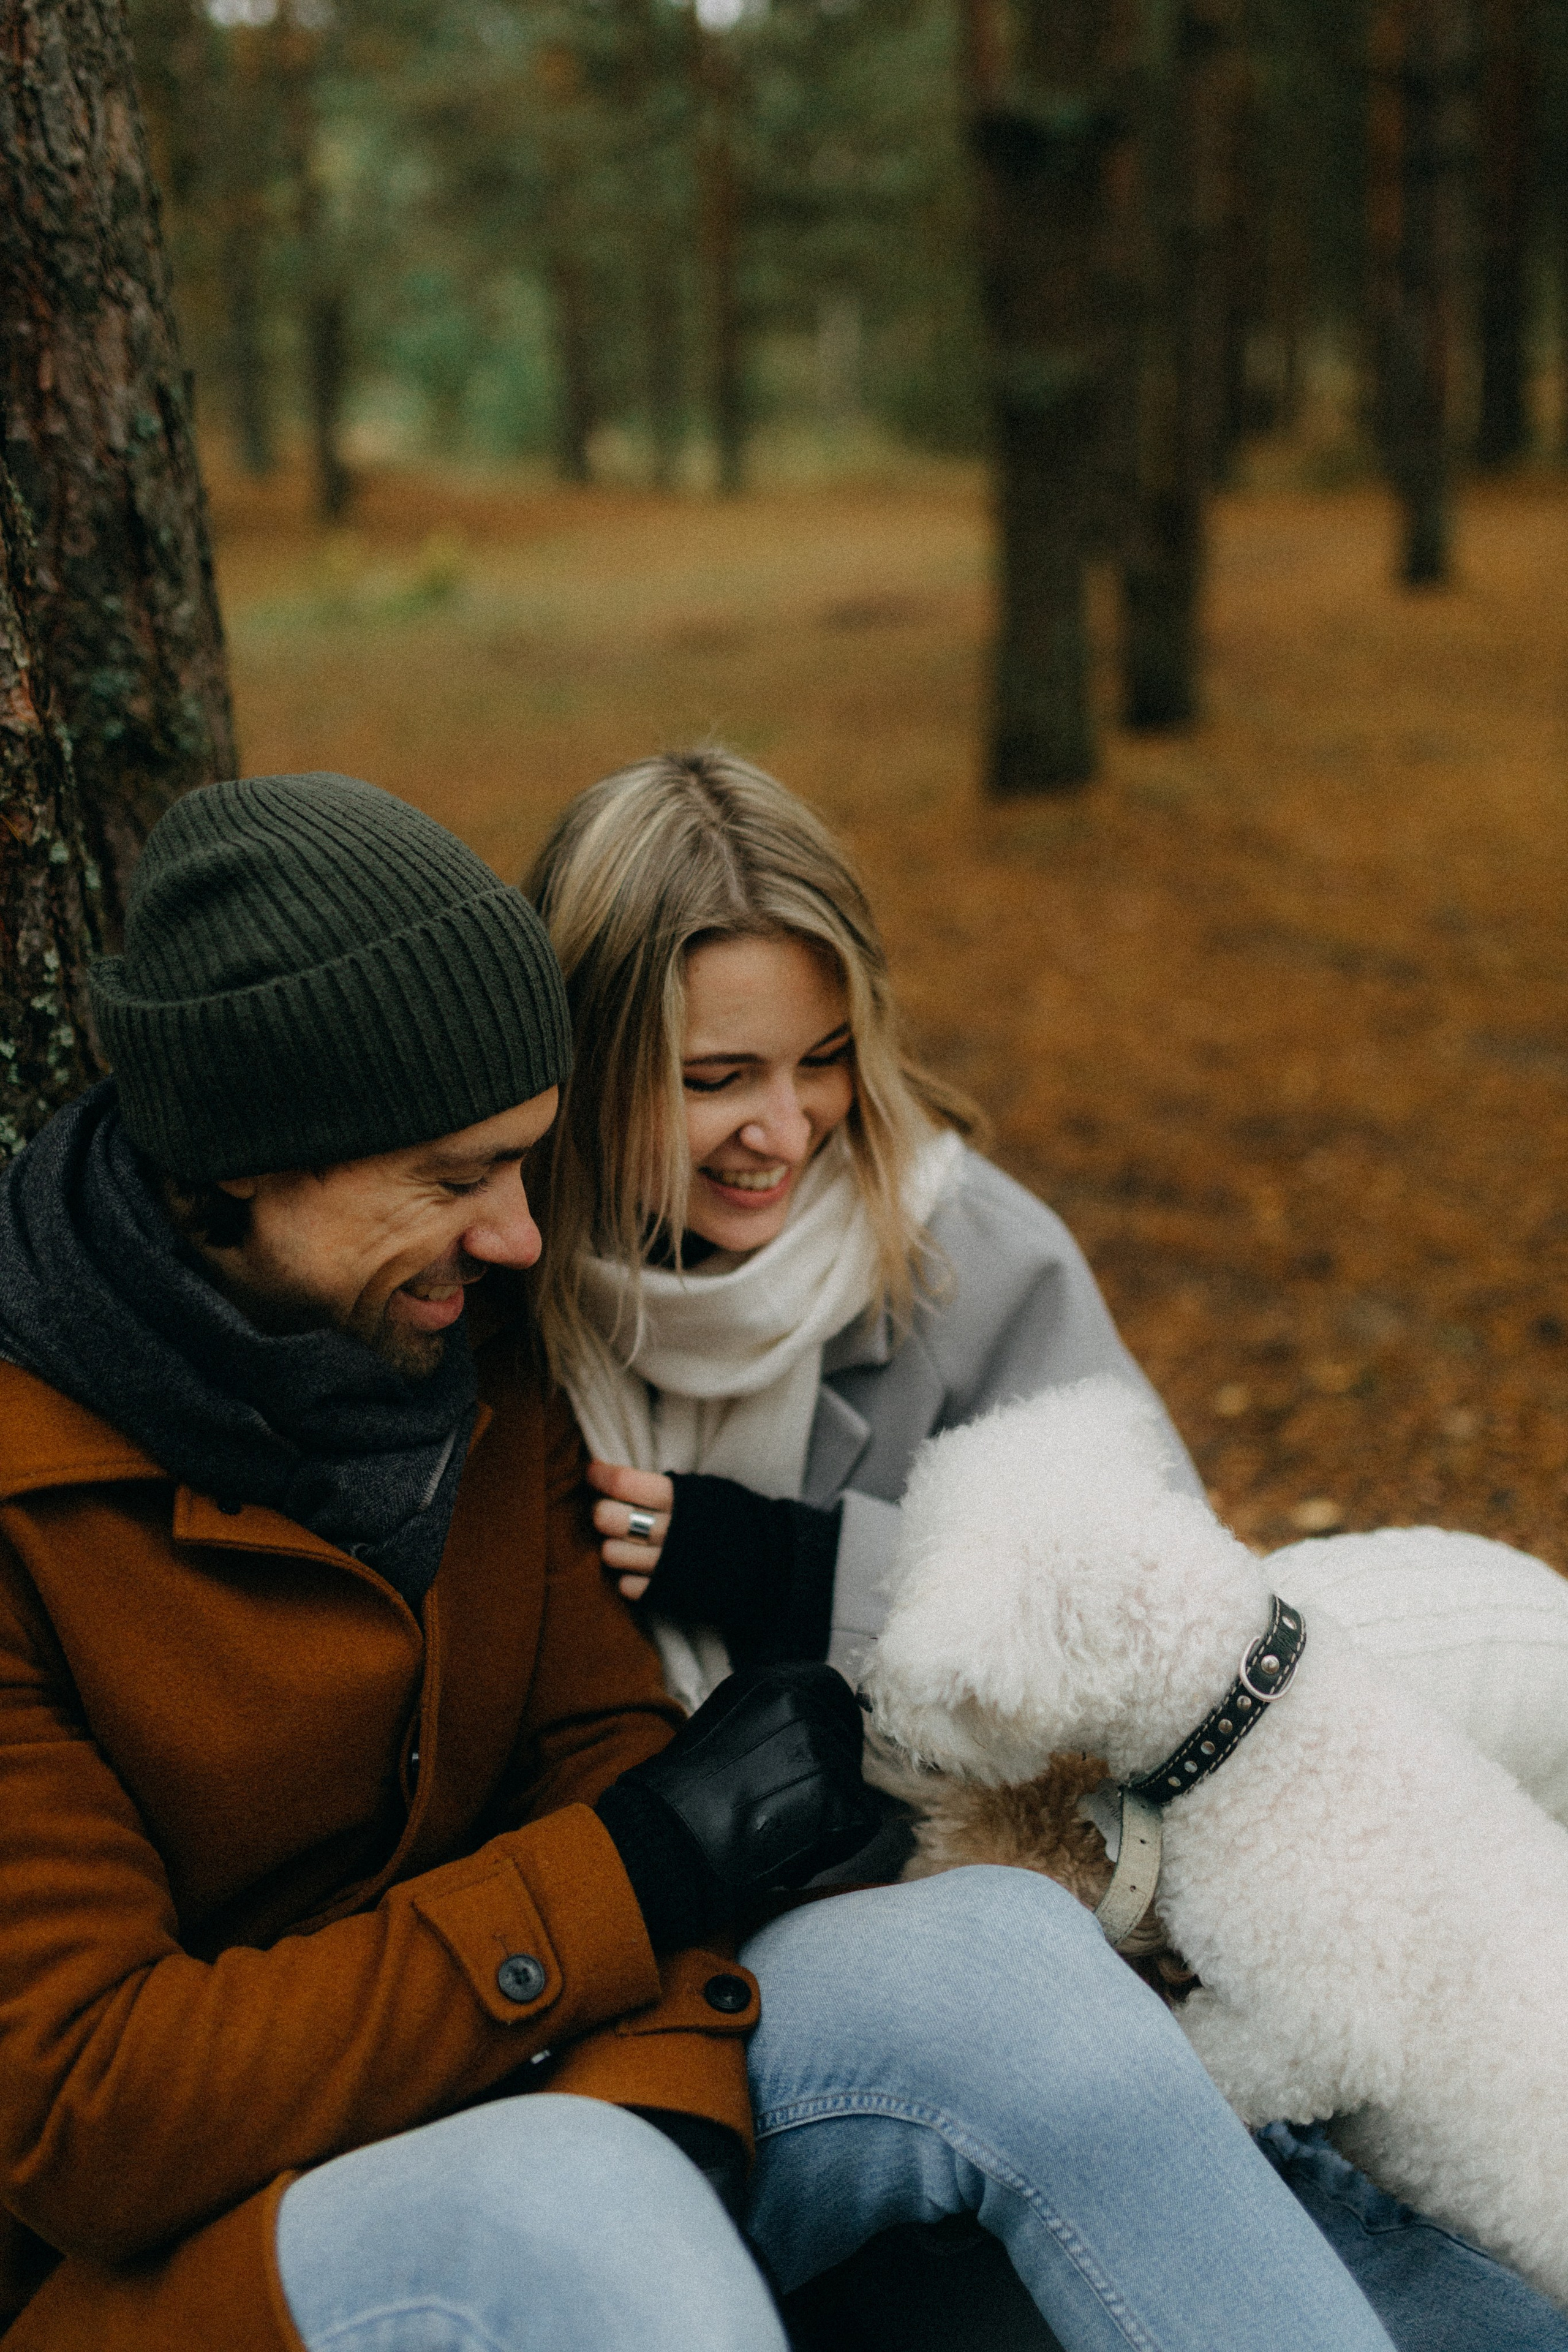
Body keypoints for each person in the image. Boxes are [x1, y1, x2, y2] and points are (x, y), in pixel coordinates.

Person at [0, 770, 1406, 2352]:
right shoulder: (32, 1508)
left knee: (1002, 1962)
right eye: (455, 1180)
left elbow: (605, 1757)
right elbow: (88, 2116)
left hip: (561, 2065)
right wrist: (630, 1894)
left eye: (523, 1167)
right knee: (577, 2197)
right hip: (221, 2251)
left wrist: (661, 2092)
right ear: (244, 1166)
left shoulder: (464, 1343)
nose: (520, 1237)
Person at [526, 745, 1568, 2352]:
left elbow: (1161, 1652)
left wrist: (804, 1573)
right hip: (638, 1996)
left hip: (1022, 1952)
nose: (783, 1129)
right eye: (716, 1076)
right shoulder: (499, 1290)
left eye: (824, 1061)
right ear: (591, 1065)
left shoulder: (970, 1257)